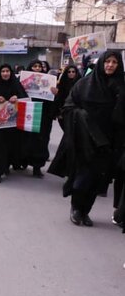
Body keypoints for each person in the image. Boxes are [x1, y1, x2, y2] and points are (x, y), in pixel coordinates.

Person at [49, 51, 125, 227]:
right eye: (107, 61)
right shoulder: (85, 84)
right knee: (83, 176)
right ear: (101, 64)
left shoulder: (121, 86)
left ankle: (85, 211)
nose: (110, 65)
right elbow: (68, 107)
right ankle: (76, 208)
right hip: (86, 139)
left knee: (99, 179)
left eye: (114, 62)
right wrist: (82, 116)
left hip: (110, 141)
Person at [0, 64, 28, 183]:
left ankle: (7, 167)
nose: (5, 73)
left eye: (7, 71)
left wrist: (17, 97)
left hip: (13, 124)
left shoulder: (15, 83)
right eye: (3, 71)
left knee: (12, 145)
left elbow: (25, 97)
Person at [50, 65, 81, 130]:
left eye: (73, 72)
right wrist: (58, 113)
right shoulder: (62, 84)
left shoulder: (81, 84)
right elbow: (59, 99)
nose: (71, 73)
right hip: (63, 113)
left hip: (76, 113)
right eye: (69, 72)